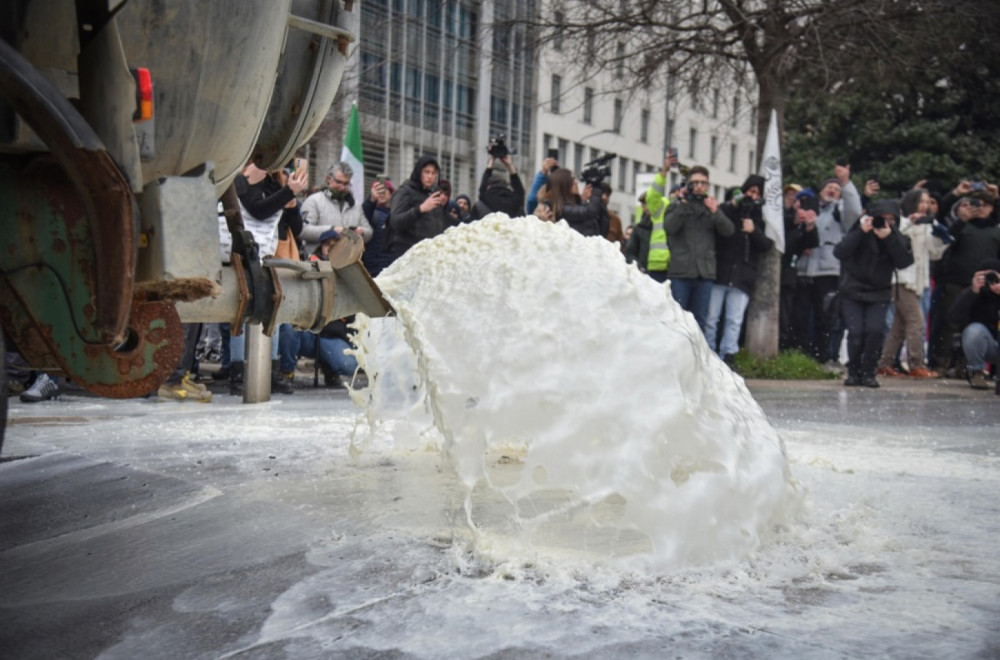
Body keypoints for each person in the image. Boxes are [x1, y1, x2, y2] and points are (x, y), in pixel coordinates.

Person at [228, 161, 307, 396]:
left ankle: (271, 371)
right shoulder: (240, 181)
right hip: (245, 253)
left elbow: (296, 227)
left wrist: (291, 205)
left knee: (275, 311)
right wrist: (287, 192)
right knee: (243, 311)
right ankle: (238, 373)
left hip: (273, 253)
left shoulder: (277, 184)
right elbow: (258, 209)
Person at [833, 199, 914, 387]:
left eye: (890, 219)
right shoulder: (859, 232)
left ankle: (869, 372)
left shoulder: (897, 238)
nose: (885, 222)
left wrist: (888, 238)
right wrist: (862, 231)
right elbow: (840, 252)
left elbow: (904, 262)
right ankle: (853, 371)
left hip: (879, 293)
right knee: (856, 333)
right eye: (881, 218)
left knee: (875, 331)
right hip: (853, 291)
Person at [791, 164, 862, 365]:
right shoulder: (808, 207)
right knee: (801, 315)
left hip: (829, 270)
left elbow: (854, 209)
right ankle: (801, 356)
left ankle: (822, 356)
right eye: (828, 187)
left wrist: (846, 182)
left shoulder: (841, 212)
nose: (832, 190)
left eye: (837, 189)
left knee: (826, 316)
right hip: (805, 268)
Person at [876, 188, 951, 378]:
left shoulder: (927, 224)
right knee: (916, 321)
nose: (925, 206)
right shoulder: (901, 221)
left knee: (899, 326)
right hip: (901, 279)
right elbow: (894, 237)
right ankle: (916, 364)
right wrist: (911, 222)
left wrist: (938, 233)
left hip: (919, 281)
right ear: (912, 203)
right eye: (921, 201)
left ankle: (885, 363)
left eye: (928, 202)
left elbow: (935, 253)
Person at [704, 175, 774, 364]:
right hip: (720, 273)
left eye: (757, 193)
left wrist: (753, 231)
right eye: (750, 191)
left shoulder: (758, 217)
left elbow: (766, 245)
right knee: (711, 318)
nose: (753, 196)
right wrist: (733, 205)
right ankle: (709, 352)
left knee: (734, 321)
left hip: (742, 277)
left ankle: (729, 354)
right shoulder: (729, 210)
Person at [663, 165, 734, 333]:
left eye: (703, 183)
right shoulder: (676, 206)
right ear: (688, 184)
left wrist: (715, 211)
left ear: (708, 185)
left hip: (705, 274)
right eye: (695, 183)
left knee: (699, 321)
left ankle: (697, 359)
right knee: (677, 319)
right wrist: (684, 205)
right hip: (681, 272)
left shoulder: (711, 208)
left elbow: (728, 231)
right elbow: (669, 228)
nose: (699, 186)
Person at [947, 259, 1000, 389]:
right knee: (974, 330)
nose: (989, 280)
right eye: (985, 276)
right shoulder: (972, 293)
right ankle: (976, 372)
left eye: (993, 276)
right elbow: (953, 317)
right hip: (985, 344)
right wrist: (972, 292)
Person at [300, 162, 372, 254]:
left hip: (347, 261)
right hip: (317, 261)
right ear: (328, 179)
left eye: (346, 183)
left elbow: (369, 231)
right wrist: (332, 230)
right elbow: (302, 230)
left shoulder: (356, 205)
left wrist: (361, 232)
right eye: (338, 182)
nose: (342, 187)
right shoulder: (313, 200)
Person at [387, 155, 449, 259]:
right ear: (419, 172)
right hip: (406, 253)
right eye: (426, 172)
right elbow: (395, 221)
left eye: (434, 173)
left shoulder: (434, 194)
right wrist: (420, 209)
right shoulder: (405, 191)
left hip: (429, 253)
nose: (430, 176)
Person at [544, 168, 606, 236]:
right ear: (563, 184)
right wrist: (597, 188)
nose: (576, 182)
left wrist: (585, 200)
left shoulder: (576, 205)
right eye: (572, 179)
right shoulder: (561, 209)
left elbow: (603, 225)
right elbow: (589, 212)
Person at [600, 182, 625, 247]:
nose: (604, 197)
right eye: (601, 194)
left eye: (607, 195)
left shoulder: (615, 220)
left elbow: (620, 245)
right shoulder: (586, 215)